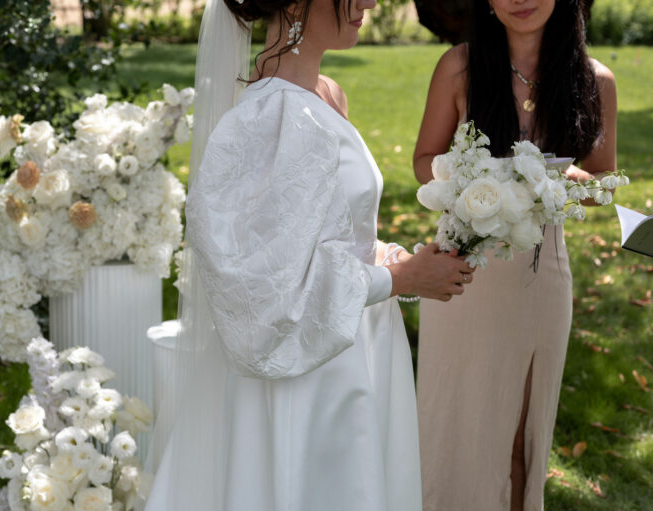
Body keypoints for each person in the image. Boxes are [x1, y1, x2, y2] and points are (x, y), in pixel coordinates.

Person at [142, 0, 475, 510]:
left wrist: (395, 257)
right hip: (306, 366)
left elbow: (325, 230)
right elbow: (263, 286)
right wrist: (400, 280)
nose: (368, 2)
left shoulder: (325, 95)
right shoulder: (269, 114)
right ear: (297, 2)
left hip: (352, 340)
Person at [411, 1, 617, 510]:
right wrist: (481, 177)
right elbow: (423, 161)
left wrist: (565, 179)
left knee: (519, 441)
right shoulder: (458, 66)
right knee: (454, 432)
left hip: (540, 275)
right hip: (463, 272)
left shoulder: (595, 79)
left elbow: (603, 184)